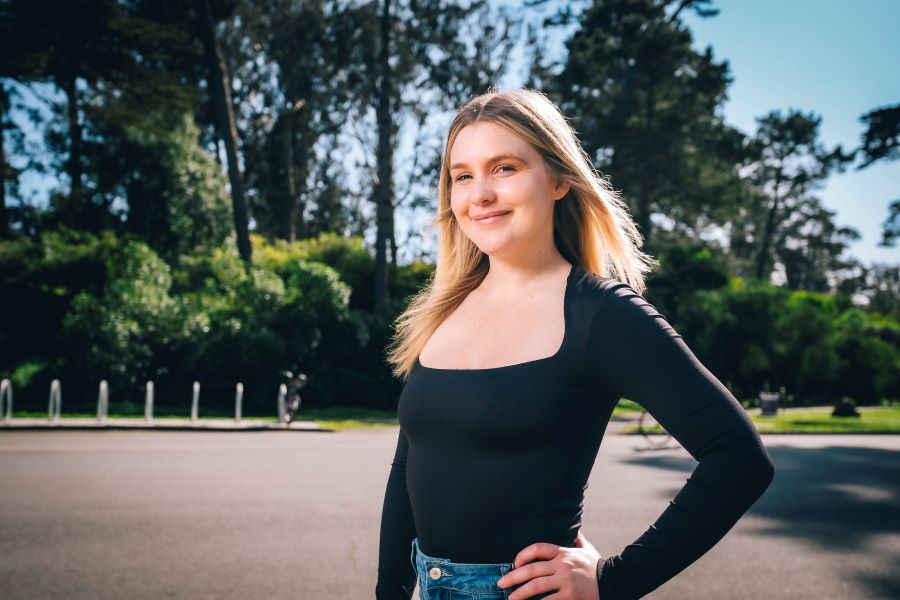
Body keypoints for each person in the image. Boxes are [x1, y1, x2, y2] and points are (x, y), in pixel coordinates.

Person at [375, 87, 775, 600]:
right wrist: (389, 590)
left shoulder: (601, 315)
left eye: (505, 168)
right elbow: (408, 465)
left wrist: (612, 580)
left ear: (560, 178)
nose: (480, 194)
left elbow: (739, 458)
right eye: (462, 176)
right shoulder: (443, 310)